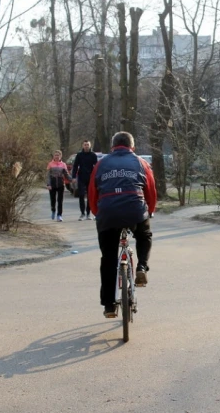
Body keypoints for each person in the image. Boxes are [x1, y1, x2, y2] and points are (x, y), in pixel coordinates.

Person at [88, 131, 157, 318]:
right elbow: (150, 191)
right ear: (132, 147)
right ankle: (141, 267)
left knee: (108, 258)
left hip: (108, 213)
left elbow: (92, 193)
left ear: (112, 147)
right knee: (144, 236)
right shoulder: (141, 163)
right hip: (135, 210)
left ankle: (109, 305)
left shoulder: (100, 164)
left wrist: (98, 213)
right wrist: (149, 211)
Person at [71, 140, 99, 221]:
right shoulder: (79, 155)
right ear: (83, 146)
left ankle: (88, 213)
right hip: (81, 177)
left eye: (87, 145)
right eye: (85, 145)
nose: (86, 146)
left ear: (90, 146)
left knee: (90, 196)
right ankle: (82, 213)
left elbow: (96, 166)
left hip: (90, 177)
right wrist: (73, 177)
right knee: (81, 195)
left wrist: (97, 177)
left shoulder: (93, 155)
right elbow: (75, 166)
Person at [46, 150, 72, 222]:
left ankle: (59, 215)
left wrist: (71, 179)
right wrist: (48, 184)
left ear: (60, 156)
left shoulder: (63, 165)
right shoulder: (50, 164)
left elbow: (66, 174)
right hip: (52, 184)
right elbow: (48, 176)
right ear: (53, 156)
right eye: (55, 155)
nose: (57, 156)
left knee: (60, 201)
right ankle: (53, 210)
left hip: (60, 184)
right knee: (53, 200)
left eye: (58, 155)